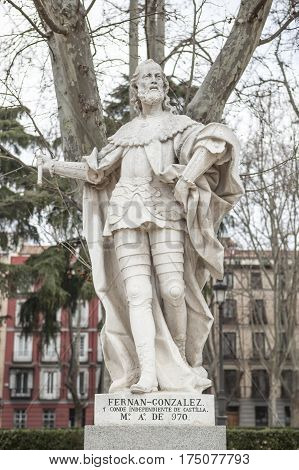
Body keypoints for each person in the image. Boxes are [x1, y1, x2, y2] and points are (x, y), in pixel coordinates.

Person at [40, 59, 243, 394]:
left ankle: (178, 358)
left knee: (174, 290)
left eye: (158, 77)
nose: (153, 80)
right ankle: (147, 373)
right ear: (135, 88)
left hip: (166, 214)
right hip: (124, 214)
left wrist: (186, 178)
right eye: (146, 77)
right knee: (136, 295)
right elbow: (97, 171)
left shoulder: (179, 125)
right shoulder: (125, 133)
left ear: (164, 87)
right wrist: (54, 166)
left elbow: (216, 141)